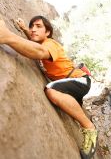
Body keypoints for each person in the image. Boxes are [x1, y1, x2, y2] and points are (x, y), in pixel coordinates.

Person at [0, 16, 98, 159]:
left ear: (48, 32)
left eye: (38, 26)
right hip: (69, 84)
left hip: (80, 80)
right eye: (32, 26)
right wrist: (24, 29)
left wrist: (8, 37)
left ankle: (90, 127)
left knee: (51, 89)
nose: (33, 29)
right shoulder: (40, 39)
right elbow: (34, 40)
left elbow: (40, 51)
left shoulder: (51, 43)